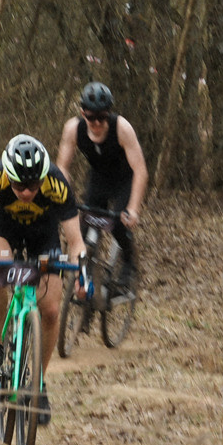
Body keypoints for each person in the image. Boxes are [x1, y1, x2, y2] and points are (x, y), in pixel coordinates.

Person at [0, 134, 88, 417]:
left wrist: (83, 275)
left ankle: (38, 384)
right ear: (7, 173)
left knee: (52, 311)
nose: (26, 192)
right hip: (3, 227)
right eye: (18, 184)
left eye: (33, 185)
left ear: (43, 178)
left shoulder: (57, 183)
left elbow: (77, 242)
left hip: (43, 233)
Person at [53, 81, 147, 292]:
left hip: (125, 180)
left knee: (119, 222)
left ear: (109, 114)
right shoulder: (73, 129)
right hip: (99, 178)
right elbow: (62, 168)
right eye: (91, 117)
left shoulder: (122, 128)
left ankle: (129, 265)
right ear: (82, 113)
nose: (96, 122)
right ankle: (86, 289)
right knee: (83, 229)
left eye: (102, 117)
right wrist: (64, 197)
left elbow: (141, 170)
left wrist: (133, 208)